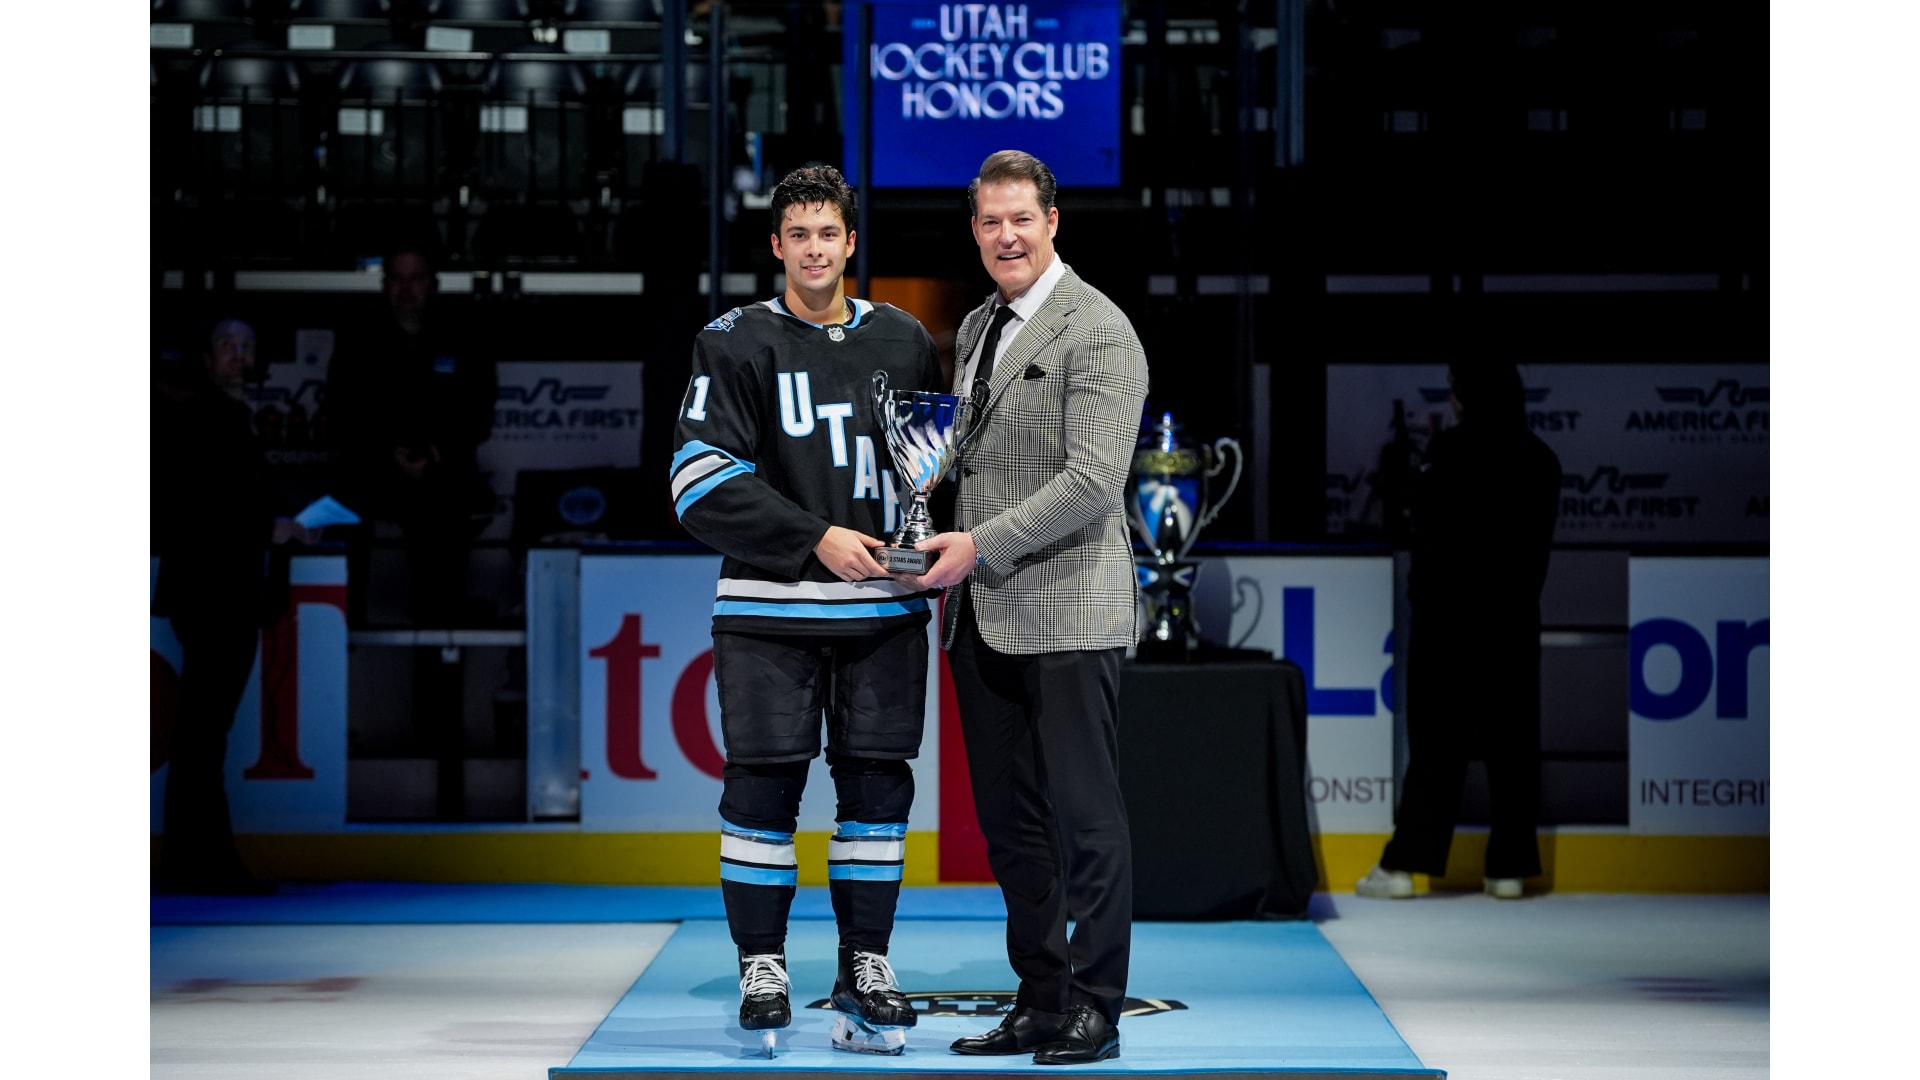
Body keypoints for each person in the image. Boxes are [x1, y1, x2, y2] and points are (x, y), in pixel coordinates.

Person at [666, 164, 944, 1057]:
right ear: (777, 245)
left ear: (850, 242)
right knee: (762, 785)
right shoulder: (732, 341)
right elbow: (695, 481)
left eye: (829, 233)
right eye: (799, 235)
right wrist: (816, 536)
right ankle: (763, 964)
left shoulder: (904, 338)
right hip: (767, 610)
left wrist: (938, 546)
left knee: (878, 788)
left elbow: (932, 471)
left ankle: (867, 963)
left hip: (883, 611)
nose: (815, 249)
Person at [910, 150, 1150, 1066]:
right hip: (982, 614)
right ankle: (1042, 998)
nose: (1005, 236)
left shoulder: (1100, 328)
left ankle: (1098, 1005)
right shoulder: (977, 325)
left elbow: (1093, 483)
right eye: (989, 222)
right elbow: (964, 459)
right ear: (974, 230)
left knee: (1087, 820)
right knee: (1010, 828)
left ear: (1053, 222)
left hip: (1070, 607)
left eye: (1021, 219)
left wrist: (977, 545)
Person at [1356, 361, 1562, 901]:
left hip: (1447, 625)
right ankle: (1509, 869)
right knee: (1514, 747)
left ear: (1467, 396)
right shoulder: (1541, 459)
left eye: (1455, 390)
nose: (1451, 400)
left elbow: (1426, 533)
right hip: (1513, 624)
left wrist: (1423, 594)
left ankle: (1404, 866)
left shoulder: (1448, 452)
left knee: (1436, 748)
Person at [152, 317, 316, 894]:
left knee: (202, 733)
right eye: (227, 346)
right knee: (204, 735)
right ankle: (207, 862)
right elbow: (192, 509)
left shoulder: (227, 419)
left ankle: (190, 861)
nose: (238, 355)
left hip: (219, 591)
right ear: (206, 357)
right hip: (212, 592)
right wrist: (270, 529)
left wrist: (282, 525)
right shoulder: (202, 419)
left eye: (246, 346)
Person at [323, 244, 497, 627]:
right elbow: (341, 411)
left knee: (450, 509)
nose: (406, 288)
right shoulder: (359, 337)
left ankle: (437, 623)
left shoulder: (464, 334)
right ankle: (343, 624)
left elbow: (479, 412)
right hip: (374, 466)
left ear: (433, 283)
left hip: (441, 467)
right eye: (397, 279)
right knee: (340, 504)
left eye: (415, 278)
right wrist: (387, 451)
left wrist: (435, 452)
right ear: (384, 285)